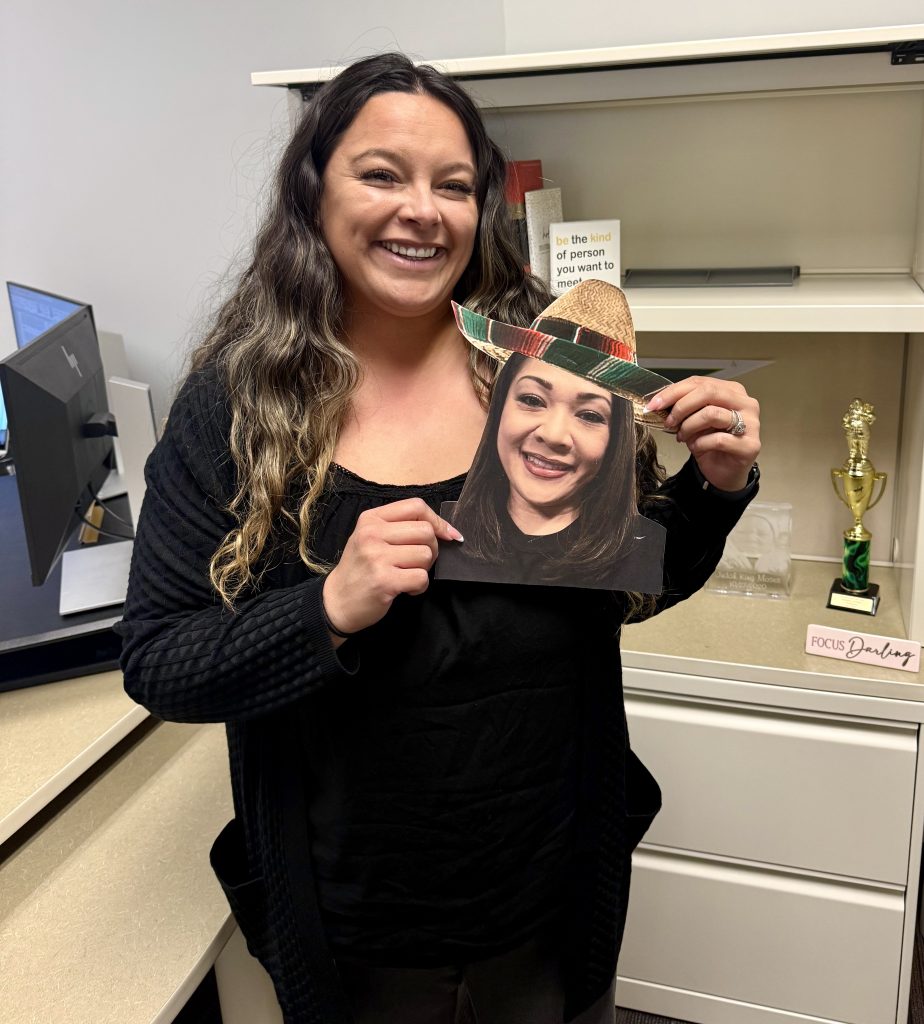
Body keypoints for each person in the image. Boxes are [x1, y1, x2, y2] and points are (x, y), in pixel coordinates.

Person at [116, 52, 761, 1024]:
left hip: (549, 908)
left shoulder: (547, 372)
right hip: (353, 939)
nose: (422, 210)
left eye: (453, 186)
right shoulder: (235, 406)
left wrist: (715, 487)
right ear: (314, 190)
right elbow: (161, 659)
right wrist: (327, 608)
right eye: (382, 174)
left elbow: (631, 584)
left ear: (480, 208)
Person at [435, 352, 666, 591]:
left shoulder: (642, 554)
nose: (554, 435)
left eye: (589, 415)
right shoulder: (437, 532)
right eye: (532, 400)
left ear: (616, 440)